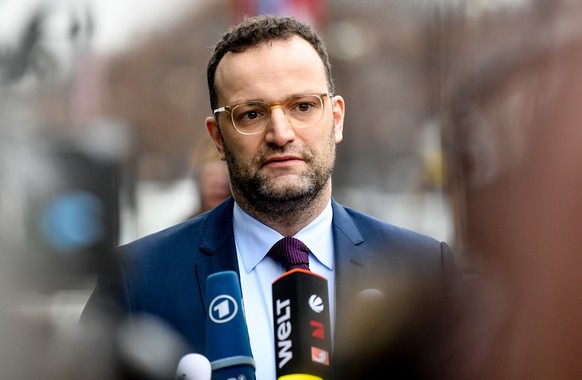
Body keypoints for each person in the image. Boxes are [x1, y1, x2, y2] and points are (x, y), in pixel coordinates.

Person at [81, 15, 462, 379]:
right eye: (251, 114)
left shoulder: (427, 271)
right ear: (217, 137)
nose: (280, 133)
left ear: (337, 118)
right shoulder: (137, 282)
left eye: (302, 106)